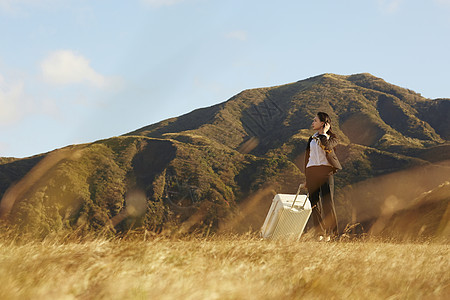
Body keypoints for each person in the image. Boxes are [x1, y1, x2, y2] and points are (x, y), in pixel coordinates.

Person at [304, 112, 342, 240]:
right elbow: (308, 158)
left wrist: (323, 134)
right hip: (312, 172)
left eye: (315, 120)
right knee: (313, 203)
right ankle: (319, 233)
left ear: (323, 123)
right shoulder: (311, 139)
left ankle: (333, 234)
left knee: (328, 202)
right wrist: (306, 178)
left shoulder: (332, 138)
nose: (312, 122)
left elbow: (327, 146)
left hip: (326, 171)